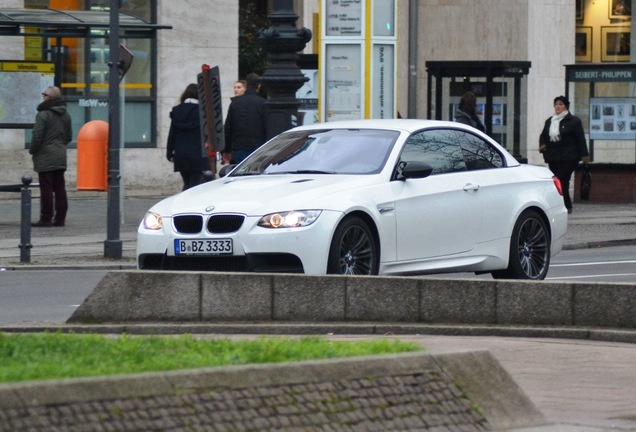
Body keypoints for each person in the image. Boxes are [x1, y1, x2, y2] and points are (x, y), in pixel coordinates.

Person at [29, 85, 72, 227]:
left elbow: (37, 136)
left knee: (46, 187)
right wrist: (59, 145)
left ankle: (46, 218)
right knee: (60, 187)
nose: (43, 96)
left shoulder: (43, 114)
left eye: (44, 94)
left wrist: (33, 150)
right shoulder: (66, 114)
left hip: (46, 155)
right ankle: (60, 218)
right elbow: (68, 136)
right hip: (60, 154)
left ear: (50, 97)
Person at [539, 95, 590, 214]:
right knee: (557, 181)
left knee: (561, 179)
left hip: (569, 157)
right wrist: (543, 146)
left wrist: (585, 157)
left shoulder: (574, 121)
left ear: (566, 107)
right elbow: (543, 135)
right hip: (553, 157)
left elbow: (580, 139)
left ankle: (566, 205)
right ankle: (562, 205)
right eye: (556, 104)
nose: (558, 107)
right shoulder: (550, 121)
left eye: (560, 104)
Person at [166, 83, 208, 190]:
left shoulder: (177, 111)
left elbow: (172, 134)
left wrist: (169, 152)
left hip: (181, 154)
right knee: (195, 185)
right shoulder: (203, 112)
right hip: (197, 154)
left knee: (187, 183)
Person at [222, 73, 267, 164]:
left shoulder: (235, 103)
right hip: (259, 147)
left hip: (239, 148)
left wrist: (226, 150)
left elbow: (228, 128)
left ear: (246, 85)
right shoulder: (263, 103)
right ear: (258, 86)